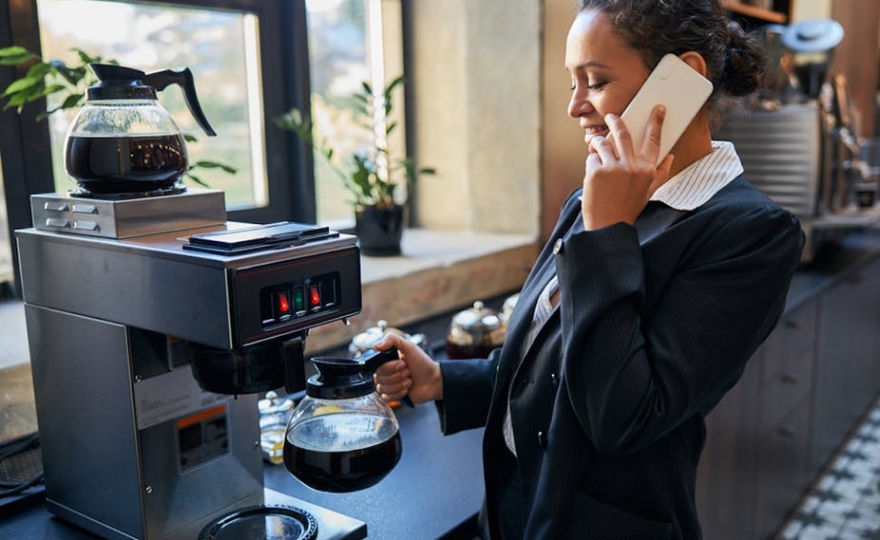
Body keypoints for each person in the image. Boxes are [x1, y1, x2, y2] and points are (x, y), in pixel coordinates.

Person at [374, 0, 805, 538]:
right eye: (572, 83)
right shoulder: (590, 201)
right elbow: (554, 367)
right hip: (513, 509)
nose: (575, 107)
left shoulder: (750, 234)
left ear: (683, 79)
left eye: (595, 82)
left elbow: (622, 416)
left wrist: (606, 235)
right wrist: (443, 381)